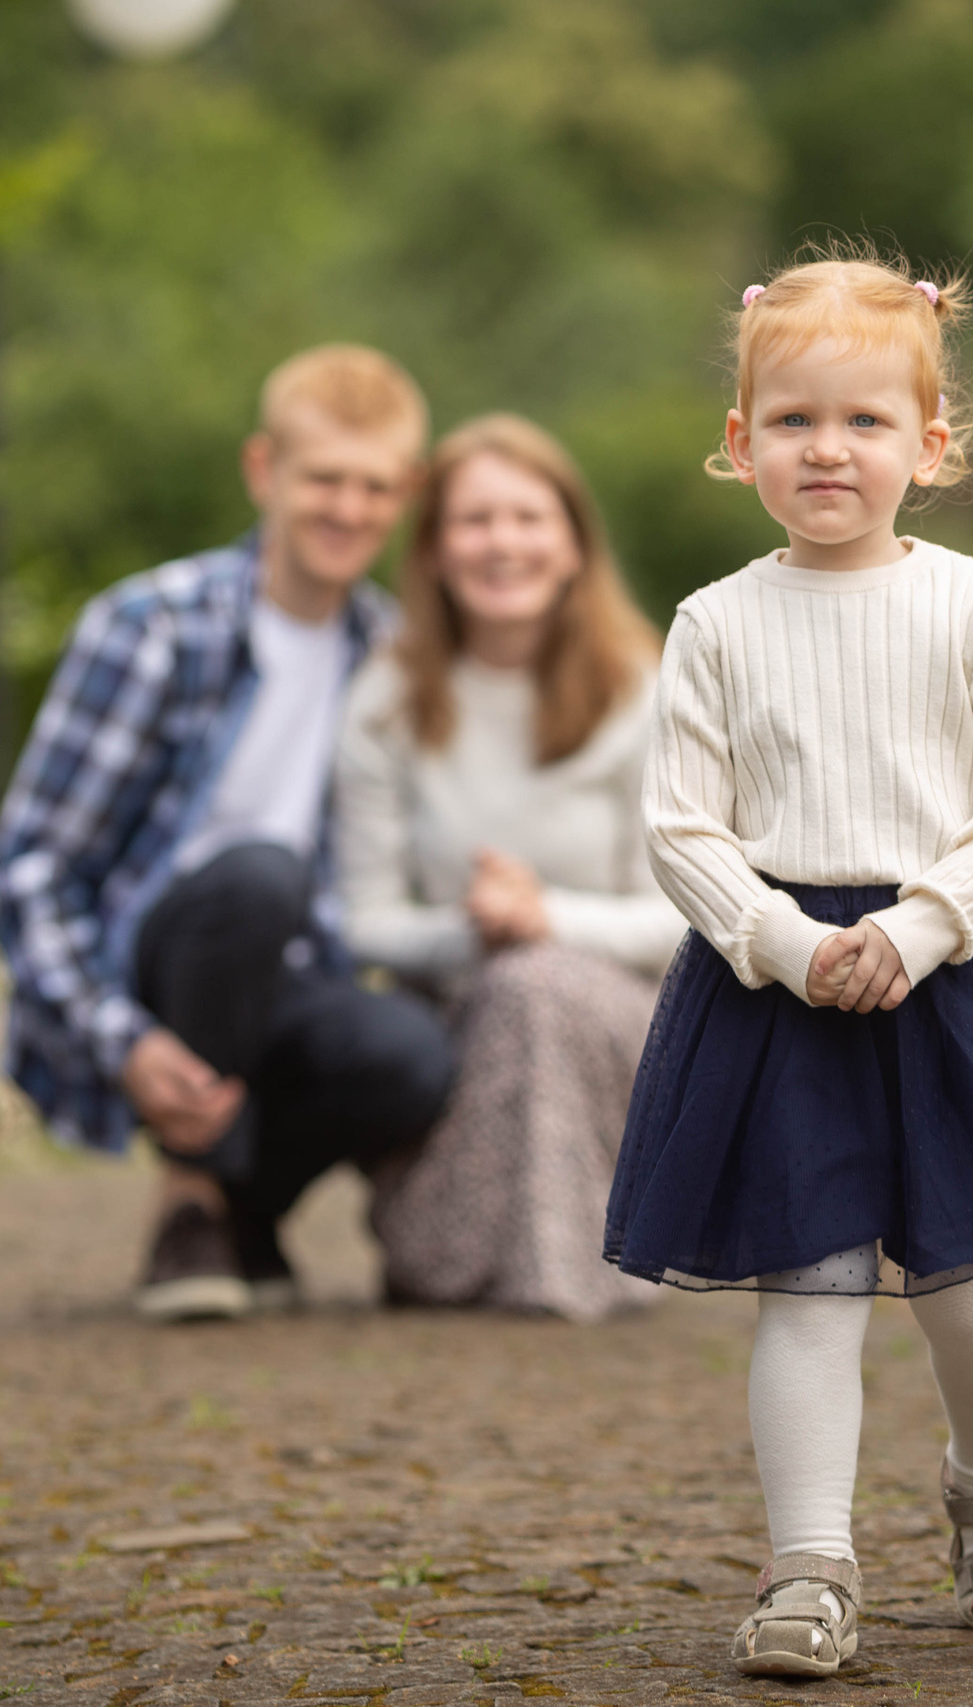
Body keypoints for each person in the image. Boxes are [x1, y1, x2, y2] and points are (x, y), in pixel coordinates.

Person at [602, 255, 973, 1679]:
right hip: (779, 994)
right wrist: (789, 942)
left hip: (960, 981)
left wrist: (917, 927)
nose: (827, 449)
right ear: (742, 447)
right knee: (809, 1284)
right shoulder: (716, 623)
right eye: (792, 420)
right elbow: (681, 827)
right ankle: (809, 1561)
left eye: (864, 422)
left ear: (930, 445)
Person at [0, 344, 455, 1323]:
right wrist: (122, 1041)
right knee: (256, 879)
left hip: (280, 973)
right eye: (323, 478)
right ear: (262, 471)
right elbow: (27, 873)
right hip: (146, 967)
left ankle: (244, 1207)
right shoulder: (154, 627)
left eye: (374, 486)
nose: (348, 509)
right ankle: (187, 1198)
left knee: (413, 1057)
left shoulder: (391, 653)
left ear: (404, 492)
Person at [333, 413, 684, 1321]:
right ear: (437, 549)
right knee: (508, 992)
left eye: (529, 518)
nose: (503, 543)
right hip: (451, 1006)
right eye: (475, 520)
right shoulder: (387, 698)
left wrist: (548, 921)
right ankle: (451, 1248)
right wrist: (475, 927)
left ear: (572, 545)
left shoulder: (642, 690)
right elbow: (360, 917)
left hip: (613, 1008)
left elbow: (687, 917)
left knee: (537, 989)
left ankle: (562, 1260)